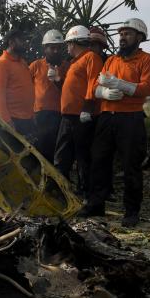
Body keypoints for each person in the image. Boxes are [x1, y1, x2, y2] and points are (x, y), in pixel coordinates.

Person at [83, 17, 150, 227]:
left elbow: (146, 89)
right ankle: (96, 204)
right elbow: (96, 88)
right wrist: (104, 91)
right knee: (99, 161)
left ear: (140, 37)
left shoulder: (147, 60)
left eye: (128, 33)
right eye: (121, 34)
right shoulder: (111, 61)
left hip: (131, 118)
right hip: (107, 117)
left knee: (131, 166)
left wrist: (119, 84)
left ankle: (131, 211)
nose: (122, 37)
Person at [53, 25, 106, 197]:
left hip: (81, 117)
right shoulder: (75, 62)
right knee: (62, 156)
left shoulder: (91, 58)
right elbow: (72, 89)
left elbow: (94, 84)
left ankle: (85, 193)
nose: (67, 47)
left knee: (83, 157)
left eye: (68, 44)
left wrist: (87, 108)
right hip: (68, 116)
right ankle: (62, 192)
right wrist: (57, 81)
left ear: (74, 43)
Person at [28, 29, 70, 162]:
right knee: (40, 150)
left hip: (60, 114)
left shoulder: (66, 67)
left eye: (58, 47)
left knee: (57, 151)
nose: (56, 51)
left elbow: (70, 91)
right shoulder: (36, 65)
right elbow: (26, 89)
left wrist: (58, 80)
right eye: (52, 48)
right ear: (45, 48)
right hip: (39, 114)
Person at [0, 28, 35, 140]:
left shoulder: (22, 62)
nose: (25, 43)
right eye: (22, 40)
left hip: (26, 119)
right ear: (11, 42)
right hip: (13, 120)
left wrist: (32, 115)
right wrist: (7, 121)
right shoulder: (2, 64)